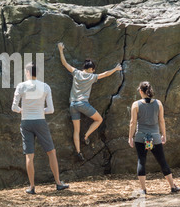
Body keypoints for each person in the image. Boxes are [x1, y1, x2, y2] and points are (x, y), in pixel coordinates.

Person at [58, 42, 122, 161]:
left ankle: (78, 152)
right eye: (93, 70)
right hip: (83, 104)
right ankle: (86, 135)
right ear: (91, 69)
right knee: (99, 119)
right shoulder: (92, 77)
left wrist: (61, 49)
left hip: (72, 105)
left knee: (76, 130)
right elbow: (106, 74)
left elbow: (64, 63)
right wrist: (116, 68)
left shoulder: (76, 73)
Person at [12, 62, 69, 194]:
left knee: (29, 156)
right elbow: (51, 110)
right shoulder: (45, 86)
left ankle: (32, 187)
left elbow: (14, 108)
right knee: (51, 152)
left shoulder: (21, 86)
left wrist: (23, 110)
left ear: (27, 73)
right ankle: (58, 183)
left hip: (26, 122)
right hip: (40, 122)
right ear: (37, 73)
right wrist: (40, 110)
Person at [128, 81, 180, 194]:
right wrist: (164, 135)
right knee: (162, 161)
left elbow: (132, 122)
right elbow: (161, 120)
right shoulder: (158, 103)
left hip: (141, 137)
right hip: (155, 137)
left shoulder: (136, 104)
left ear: (141, 91)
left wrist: (130, 137)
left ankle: (143, 189)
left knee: (141, 161)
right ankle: (172, 187)